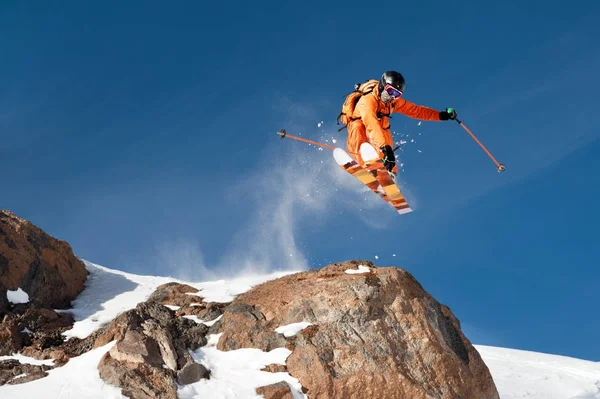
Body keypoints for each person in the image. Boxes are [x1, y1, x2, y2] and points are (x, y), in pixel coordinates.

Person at [343, 70, 457, 175]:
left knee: (384, 128)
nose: (392, 96)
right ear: (383, 86)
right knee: (359, 128)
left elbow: (417, 111)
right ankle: (366, 166)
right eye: (390, 91)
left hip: (377, 123)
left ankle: (389, 170)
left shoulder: (394, 102)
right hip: (358, 122)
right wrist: (385, 148)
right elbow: (371, 124)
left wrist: (441, 115)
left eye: (397, 94)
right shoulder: (367, 101)